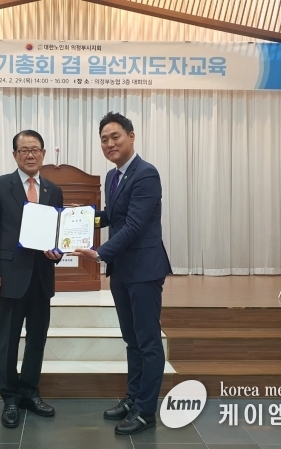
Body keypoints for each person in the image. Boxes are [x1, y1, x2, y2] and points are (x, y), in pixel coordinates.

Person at [73, 112, 172, 435]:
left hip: (144, 270)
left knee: (148, 341)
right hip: (123, 271)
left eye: (115, 136)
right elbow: (111, 216)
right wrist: (79, 219)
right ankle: (133, 397)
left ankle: (145, 411)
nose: (109, 144)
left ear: (131, 136)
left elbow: (134, 225)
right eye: (104, 139)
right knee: (132, 340)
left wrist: (101, 253)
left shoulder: (146, 174)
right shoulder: (113, 176)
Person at [0, 130, 63, 429]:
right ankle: (10, 398)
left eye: (35, 149)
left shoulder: (53, 190)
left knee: (37, 339)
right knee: (8, 340)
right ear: (15, 154)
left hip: (41, 277)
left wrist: (59, 251)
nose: (30, 155)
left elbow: (58, 232)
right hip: (9, 277)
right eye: (24, 150)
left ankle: (29, 392)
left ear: (43, 154)